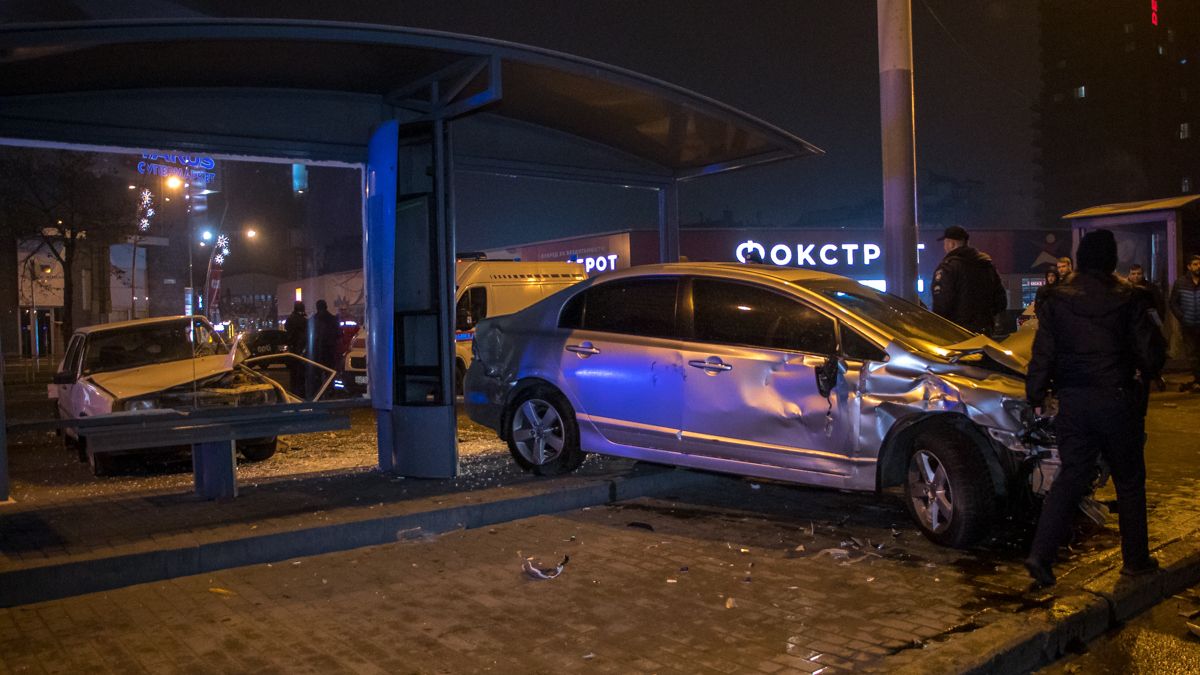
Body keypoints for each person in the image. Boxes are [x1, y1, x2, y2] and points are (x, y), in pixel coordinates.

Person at [1023, 229, 1166, 588]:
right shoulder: (1129, 297)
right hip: (1118, 399)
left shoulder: (1056, 299)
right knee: (1129, 481)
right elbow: (1151, 353)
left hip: (1074, 401)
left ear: (1081, 257)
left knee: (1071, 476)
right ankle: (1135, 561)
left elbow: (1043, 354)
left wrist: (1036, 394)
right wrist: (1148, 371)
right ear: (1112, 258)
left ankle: (1040, 554)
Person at [931, 225, 1008, 336]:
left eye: (945, 244)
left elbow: (942, 303)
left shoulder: (949, 267)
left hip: (958, 332)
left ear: (952, 244)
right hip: (985, 332)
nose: (944, 248)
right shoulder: (986, 265)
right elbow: (1000, 301)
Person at [1169, 254, 1200, 392]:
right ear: (1189, 266)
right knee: (1192, 354)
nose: (1198, 267)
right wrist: (1182, 316)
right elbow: (1173, 302)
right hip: (1188, 325)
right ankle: (1198, 380)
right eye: (1195, 264)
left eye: (1199, 264)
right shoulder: (1181, 283)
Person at [284, 301, 308, 395]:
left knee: (293, 373)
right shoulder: (303, 321)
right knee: (301, 373)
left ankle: (294, 391)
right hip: (301, 349)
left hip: (293, 349)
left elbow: (287, 330)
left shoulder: (290, 319)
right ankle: (300, 391)